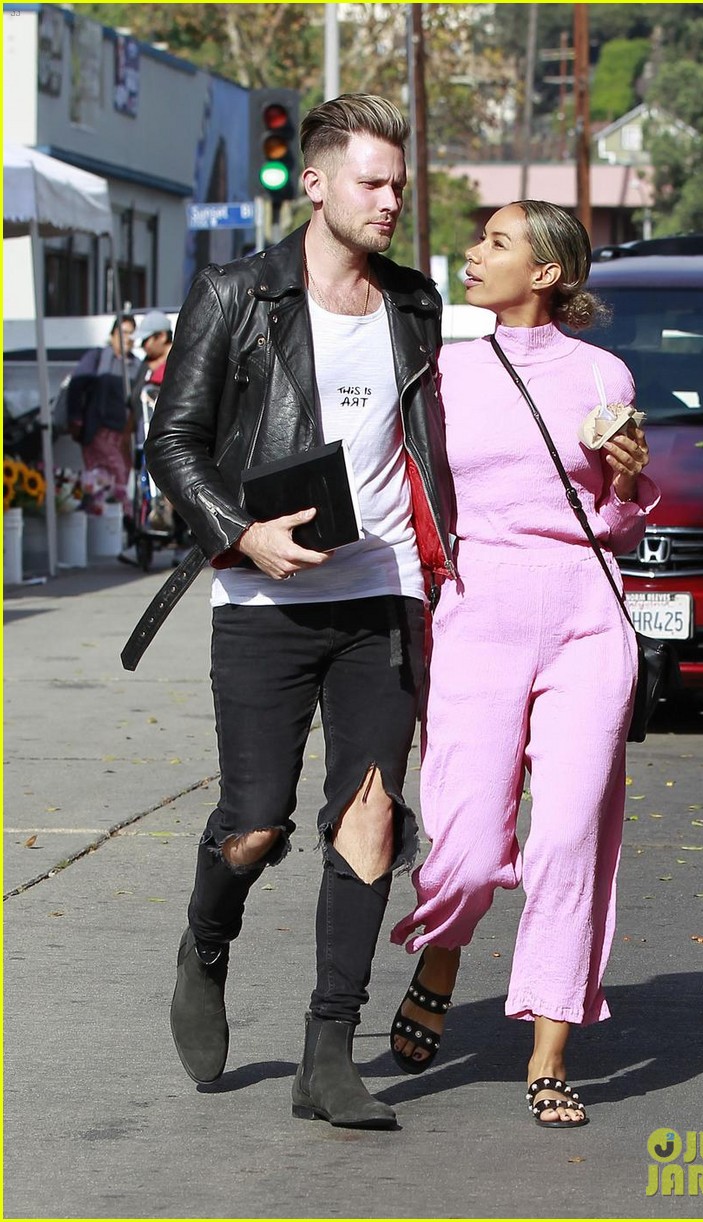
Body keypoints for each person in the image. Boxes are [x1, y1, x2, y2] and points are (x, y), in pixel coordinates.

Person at [142, 94, 455, 1130]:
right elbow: (173, 443)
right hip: (262, 596)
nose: (391, 200)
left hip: (381, 594)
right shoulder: (237, 295)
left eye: (399, 183)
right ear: (315, 184)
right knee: (254, 824)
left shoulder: (413, 302)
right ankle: (207, 940)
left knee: (369, 818)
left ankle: (329, 1053)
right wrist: (244, 532)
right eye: (372, 182)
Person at [389, 200, 659, 1128]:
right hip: (476, 614)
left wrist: (627, 478)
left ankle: (550, 1053)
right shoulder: (442, 371)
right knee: (465, 849)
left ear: (546, 273)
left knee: (570, 837)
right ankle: (443, 952)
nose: (473, 253)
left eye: (496, 243)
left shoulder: (602, 374)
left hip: (585, 616)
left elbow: (619, 524)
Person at [118, 311, 187, 565]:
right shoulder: (145, 367)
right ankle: (140, 537)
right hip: (143, 436)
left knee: (174, 489)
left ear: (161, 337)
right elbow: (134, 404)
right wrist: (125, 435)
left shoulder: (180, 360)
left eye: (147, 340)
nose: (143, 345)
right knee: (144, 490)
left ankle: (181, 542)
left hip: (173, 437)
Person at [66, 314, 139, 506]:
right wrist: (75, 419)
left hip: (123, 438)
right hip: (98, 433)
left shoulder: (136, 365)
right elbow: (76, 385)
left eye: (131, 334)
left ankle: (112, 520)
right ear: (113, 334)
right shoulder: (97, 357)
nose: (127, 338)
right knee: (110, 480)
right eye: (123, 332)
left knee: (115, 485)